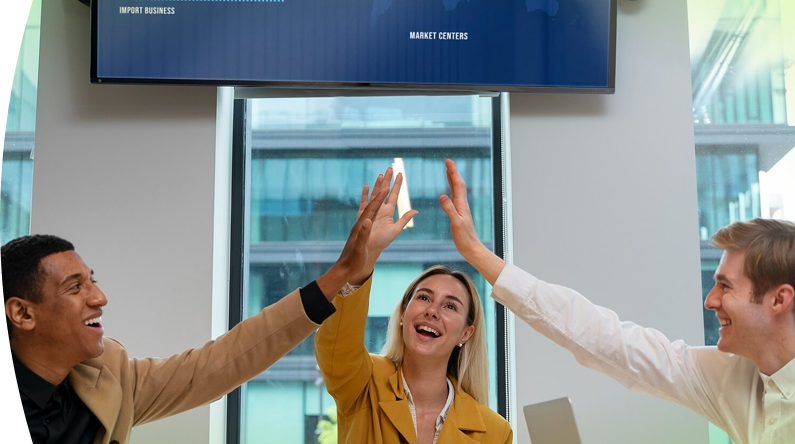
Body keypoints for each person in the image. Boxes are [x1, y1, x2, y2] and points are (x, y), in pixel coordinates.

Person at [3, 175, 390, 444]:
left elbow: (222, 362)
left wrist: (341, 274)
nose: (99, 297)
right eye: (75, 287)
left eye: (93, 280)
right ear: (23, 314)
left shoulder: (108, 377)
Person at [439, 158, 795, 444]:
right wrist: (476, 253)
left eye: (725, 287)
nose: (711, 300)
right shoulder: (730, 376)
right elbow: (606, 339)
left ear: (779, 300)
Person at [315, 167, 513, 444]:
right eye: (423, 297)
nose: (432, 310)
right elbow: (335, 347)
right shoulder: (363, 383)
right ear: (402, 315)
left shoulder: (494, 433)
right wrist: (365, 257)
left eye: (451, 307)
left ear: (466, 334)